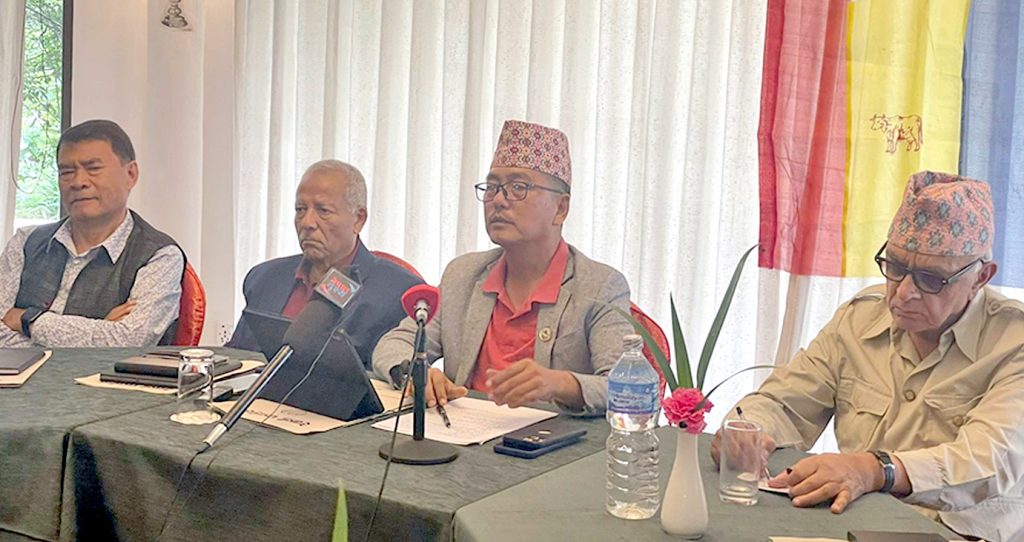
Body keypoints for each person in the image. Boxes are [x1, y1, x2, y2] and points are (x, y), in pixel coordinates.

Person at [713, 171, 1024, 541]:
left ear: (981, 277)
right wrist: (749, 432)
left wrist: (877, 470)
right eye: (896, 267)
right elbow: (785, 403)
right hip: (857, 526)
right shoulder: (860, 318)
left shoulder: (1014, 342)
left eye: (931, 279)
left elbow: (988, 460)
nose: (903, 293)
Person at [372, 119, 632, 415]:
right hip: (461, 432)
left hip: (545, 441)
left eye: (518, 187)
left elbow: (627, 388)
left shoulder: (599, 286)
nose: (498, 200)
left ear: (561, 208)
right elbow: (396, 342)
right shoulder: (463, 274)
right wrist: (416, 373)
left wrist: (562, 384)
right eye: (492, 187)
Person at [0, 119, 185, 347]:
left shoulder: (159, 255)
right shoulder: (26, 242)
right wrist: (98, 333)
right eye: (67, 172)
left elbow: (129, 341)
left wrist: (27, 319)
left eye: (93, 169)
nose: (78, 182)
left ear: (131, 174)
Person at [227, 160, 423, 368]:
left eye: (323, 211)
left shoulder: (399, 293)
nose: (307, 223)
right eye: (300, 210)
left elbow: (400, 373)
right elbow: (237, 358)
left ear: (358, 219)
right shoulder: (264, 278)